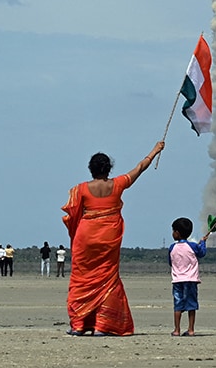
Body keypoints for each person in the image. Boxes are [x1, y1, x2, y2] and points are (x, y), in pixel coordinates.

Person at [61, 140, 164, 336]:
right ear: (108, 168)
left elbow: (73, 214)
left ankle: (79, 324)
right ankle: (102, 325)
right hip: (108, 236)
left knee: (81, 278)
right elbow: (140, 168)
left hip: (86, 236)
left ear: (91, 169)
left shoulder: (80, 189)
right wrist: (154, 151)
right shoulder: (117, 184)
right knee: (107, 278)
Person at [168, 217, 207, 337]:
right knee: (191, 305)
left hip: (178, 280)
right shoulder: (193, 246)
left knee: (178, 305)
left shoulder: (172, 248)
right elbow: (202, 253)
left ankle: (177, 329)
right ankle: (191, 329)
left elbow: (170, 262)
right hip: (191, 280)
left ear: (177, 233)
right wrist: (203, 242)